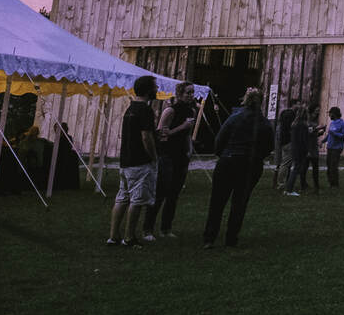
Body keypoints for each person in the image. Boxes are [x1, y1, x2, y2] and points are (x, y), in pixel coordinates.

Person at [202, 88, 274, 249]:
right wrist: (256, 157)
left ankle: (209, 237)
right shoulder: (264, 123)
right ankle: (231, 238)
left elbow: (219, 140)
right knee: (239, 203)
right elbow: (269, 146)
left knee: (217, 202)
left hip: (228, 160)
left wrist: (223, 154)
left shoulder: (234, 118)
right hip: (250, 164)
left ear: (245, 100)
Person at [108, 74, 159, 247]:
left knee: (122, 198)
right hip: (140, 162)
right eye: (155, 87)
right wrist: (153, 156)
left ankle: (113, 236)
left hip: (126, 161)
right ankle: (129, 237)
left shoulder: (130, 109)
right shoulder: (145, 110)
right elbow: (146, 136)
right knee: (137, 201)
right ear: (148, 90)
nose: (157, 89)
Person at [142, 81, 198, 238]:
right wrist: (182, 127)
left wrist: (189, 149)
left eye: (192, 92)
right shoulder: (170, 111)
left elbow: (187, 134)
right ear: (179, 94)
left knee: (174, 194)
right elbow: (161, 135)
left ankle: (166, 228)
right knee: (160, 192)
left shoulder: (191, 111)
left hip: (181, 155)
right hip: (167, 154)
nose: (191, 95)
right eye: (188, 92)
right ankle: (148, 229)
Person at [286, 103, 318, 195]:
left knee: (295, 168)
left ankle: (288, 188)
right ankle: (289, 189)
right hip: (300, 150)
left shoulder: (294, 124)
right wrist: (307, 150)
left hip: (294, 148)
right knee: (296, 169)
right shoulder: (303, 125)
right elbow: (304, 139)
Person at [323, 106, 344, 188]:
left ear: (334, 114)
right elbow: (329, 135)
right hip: (330, 147)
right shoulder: (332, 123)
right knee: (329, 166)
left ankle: (335, 184)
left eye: (330, 114)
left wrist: (335, 134)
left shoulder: (342, 124)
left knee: (333, 166)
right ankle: (331, 183)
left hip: (337, 148)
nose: (329, 115)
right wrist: (323, 141)